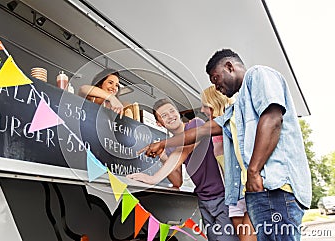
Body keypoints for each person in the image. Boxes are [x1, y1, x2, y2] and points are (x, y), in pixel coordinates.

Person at [142, 49, 312, 241]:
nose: (216, 87)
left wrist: (253, 171)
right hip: (257, 191)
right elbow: (204, 130)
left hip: (276, 188)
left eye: (216, 79)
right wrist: (163, 143)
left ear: (229, 67)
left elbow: (272, 119)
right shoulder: (236, 108)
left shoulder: (258, 74)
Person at [127, 98, 239, 241]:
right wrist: (162, 156)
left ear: (178, 113)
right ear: (159, 123)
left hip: (222, 196)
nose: (170, 116)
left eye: (172, 111)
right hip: (204, 198)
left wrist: (153, 178)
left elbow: (183, 151)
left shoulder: (196, 124)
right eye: (164, 115)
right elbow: (177, 180)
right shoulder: (171, 146)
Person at [202, 86, 256, 241]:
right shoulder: (212, 130)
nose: (202, 109)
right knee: (242, 237)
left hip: (248, 189)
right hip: (233, 193)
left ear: (215, 103)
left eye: (205, 105)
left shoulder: (235, 121)